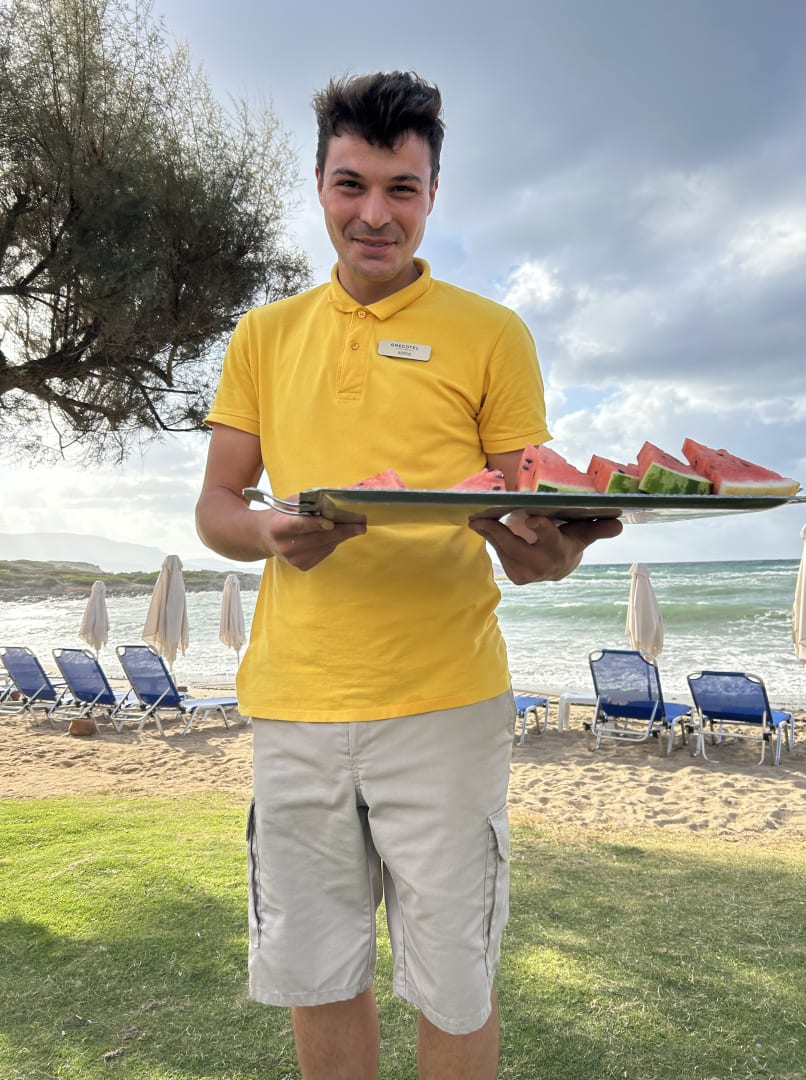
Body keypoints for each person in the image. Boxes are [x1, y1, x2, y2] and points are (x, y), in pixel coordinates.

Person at [195, 70, 622, 1080]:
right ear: (319, 184)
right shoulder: (262, 335)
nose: (375, 215)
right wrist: (269, 535)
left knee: (454, 979)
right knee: (317, 974)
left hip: (447, 705)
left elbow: (529, 518)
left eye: (402, 189)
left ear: (434, 193)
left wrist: (554, 550)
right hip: (296, 705)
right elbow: (217, 507)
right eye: (352, 185)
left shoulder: (493, 333)